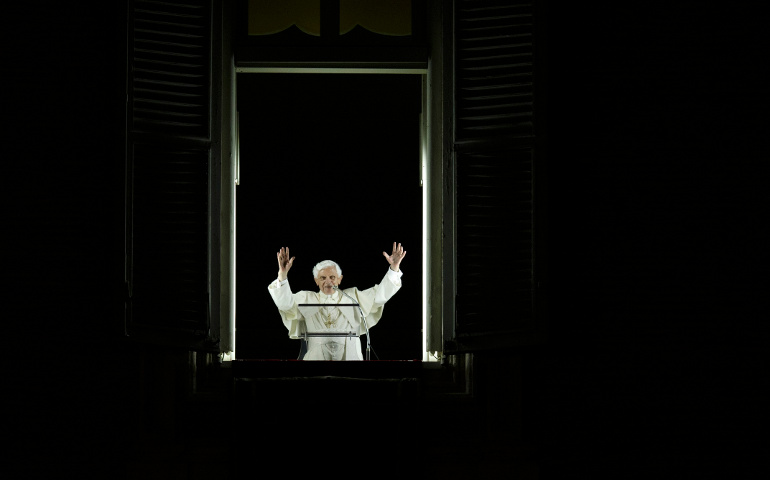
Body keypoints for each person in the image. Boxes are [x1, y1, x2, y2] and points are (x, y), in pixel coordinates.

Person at [267, 243, 406, 361]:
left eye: (332, 277)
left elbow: (379, 296)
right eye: (322, 278)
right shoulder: (307, 298)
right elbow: (285, 304)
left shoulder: (353, 297)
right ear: (316, 281)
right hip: (316, 359)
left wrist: (394, 269)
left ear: (340, 279)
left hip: (350, 357)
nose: (328, 282)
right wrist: (282, 275)